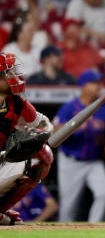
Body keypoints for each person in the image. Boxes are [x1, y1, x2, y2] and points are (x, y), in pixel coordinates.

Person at [53, 69, 105, 222]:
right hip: (71, 160)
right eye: (94, 83)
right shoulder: (69, 107)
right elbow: (54, 131)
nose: (99, 86)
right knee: (68, 207)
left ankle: (94, 228)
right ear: (84, 86)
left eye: (99, 82)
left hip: (94, 161)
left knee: (104, 193)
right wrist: (73, 127)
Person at [0, 53, 54, 225]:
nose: (14, 77)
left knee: (42, 154)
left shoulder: (15, 103)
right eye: (9, 73)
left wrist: (41, 133)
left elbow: (44, 122)